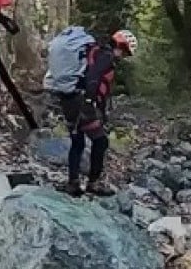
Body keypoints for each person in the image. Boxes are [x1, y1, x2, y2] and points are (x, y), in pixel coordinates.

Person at [54, 29, 137, 197]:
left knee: (77, 142)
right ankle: (93, 183)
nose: (123, 56)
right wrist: (90, 102)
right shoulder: (106, 56)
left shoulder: (95, 51)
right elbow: (94, 76)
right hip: (81, 102)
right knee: (101, 141)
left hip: (69, 99)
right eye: (125, 52)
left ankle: (73, 183)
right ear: (120, 46)